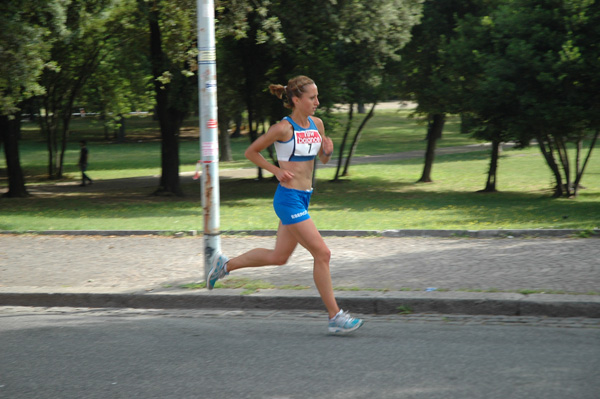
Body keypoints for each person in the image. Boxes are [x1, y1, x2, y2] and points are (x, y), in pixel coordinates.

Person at [207, 75, 363, 334]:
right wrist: (275, 170)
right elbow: (251, 152)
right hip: (288, 199)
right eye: (312, 97)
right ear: (295, 100)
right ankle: (335, 316)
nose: (317, 102)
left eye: (316, 97)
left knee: (279, 257)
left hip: (304, 197)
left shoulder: (318, 125)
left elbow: (321, 162)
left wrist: (327, 151)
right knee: (323, 254)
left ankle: (224, 265)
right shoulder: (283, 128)